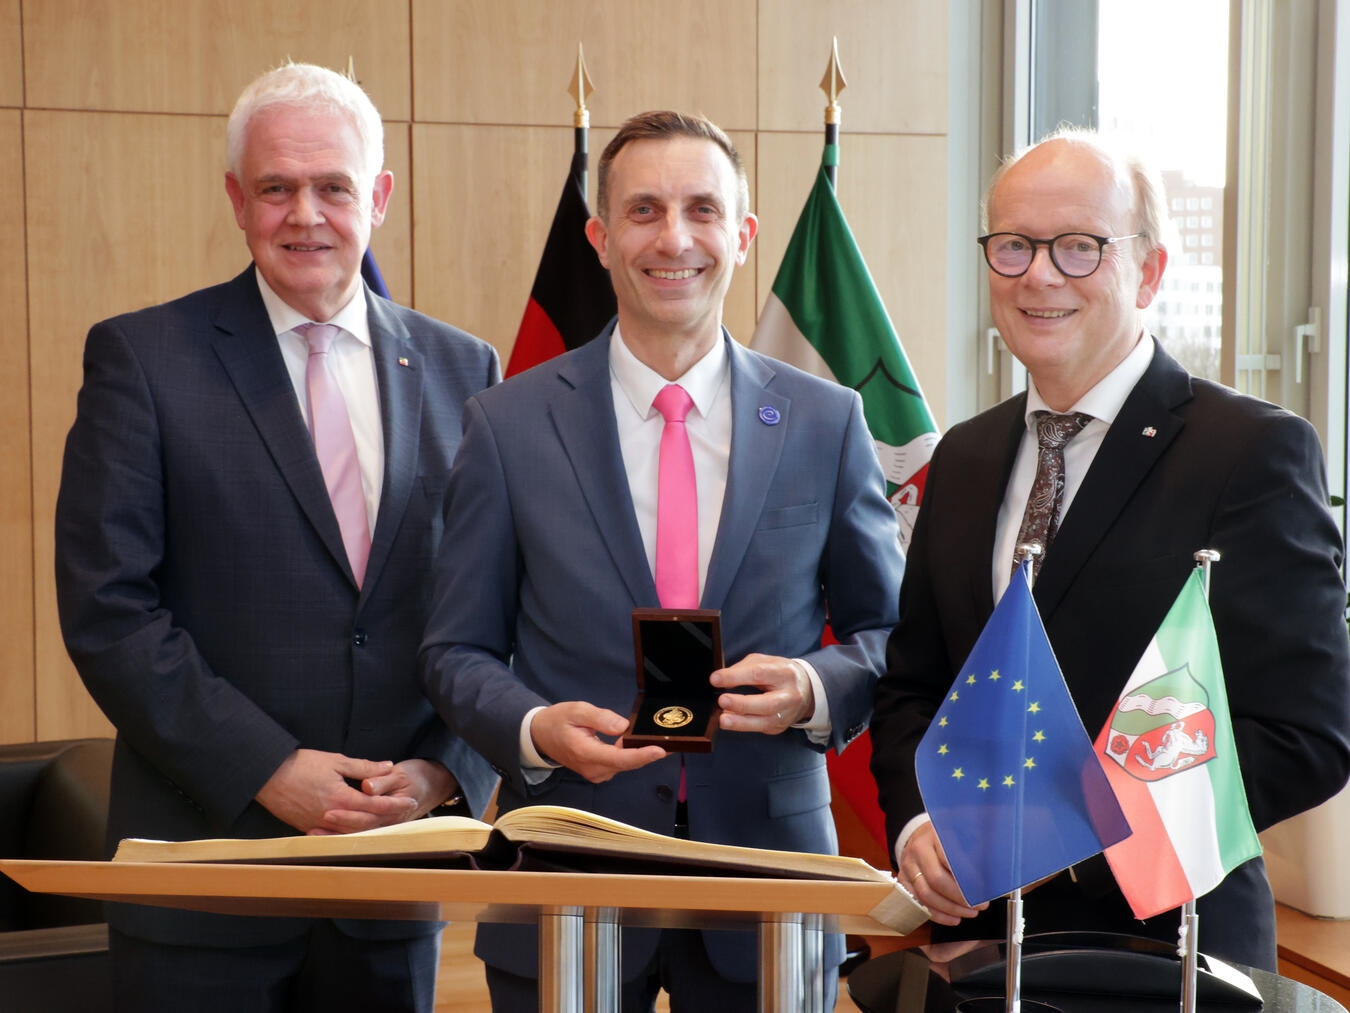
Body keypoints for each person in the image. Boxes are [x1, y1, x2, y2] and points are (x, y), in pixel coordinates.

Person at [420, 110, 903, 1011]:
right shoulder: (507, 425)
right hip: (570, 855)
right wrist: (531, 730)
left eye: (701, 210)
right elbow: (455, 650)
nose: (674, 238)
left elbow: (889, 633)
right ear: (600, 239)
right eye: (643, 211)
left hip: (769, 874)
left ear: (743, 235)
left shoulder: (827, 420)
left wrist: (811, 686)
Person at [54, 62, 499, 1012]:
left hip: (388, 883)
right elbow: (110, 612)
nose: (307, 214)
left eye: (334, 185)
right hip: (204, 883)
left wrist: (443, 773)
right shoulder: (142, 359)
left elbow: (491, 606)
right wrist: (269, 769)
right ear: (236, 200)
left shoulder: (468, 369)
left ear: (377, 196)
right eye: (276, 187)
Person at [869, 127, 1350, 972]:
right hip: (973, 950)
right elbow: (915, 686)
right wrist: (918, 823)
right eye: (1013, 246)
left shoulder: (1250, 453)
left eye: (1080, 247)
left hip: (1170, 951)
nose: (1040, 275)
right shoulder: (966, 457)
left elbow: (1307, 730)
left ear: (1150, 271)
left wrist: (1076, 840)